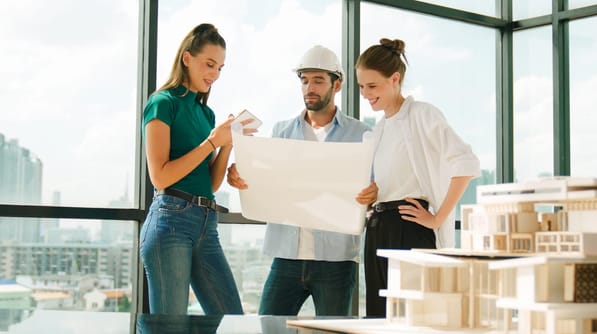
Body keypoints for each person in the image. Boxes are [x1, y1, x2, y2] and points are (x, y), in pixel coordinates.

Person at [226, 45, 378, 316]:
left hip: (336, 261)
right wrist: (240, 175)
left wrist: (374, 192)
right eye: (305, 80)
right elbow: (267, 183)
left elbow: (376, 186)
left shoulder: (361, 134)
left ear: (337, 84)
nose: (310, 87)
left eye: (318, 80)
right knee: (267, 326)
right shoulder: (281, 131)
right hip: (287, 257)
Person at [355, 38, 481, 317]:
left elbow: (467, 163)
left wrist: (437, 218)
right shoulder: (378, 131)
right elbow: (398, 175)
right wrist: (375, 193)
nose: (365, 93)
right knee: (379, 317)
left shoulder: (422, 114)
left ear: (395, 79)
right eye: (361, 87)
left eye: (372, 86)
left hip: (409, 225)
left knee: (414, 316)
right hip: (377, 227)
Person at [140, 23, 254, 315]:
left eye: (220, 68)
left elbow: (211, 184)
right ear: (187, 58)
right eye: (209, 64)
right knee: (170, 327)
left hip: (207, 222)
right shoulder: (162, 103)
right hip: (170, 222)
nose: (214, 74)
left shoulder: (206, 113)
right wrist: (211, 141)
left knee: (232, 319)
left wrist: (227, 143)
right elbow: (160, 176)